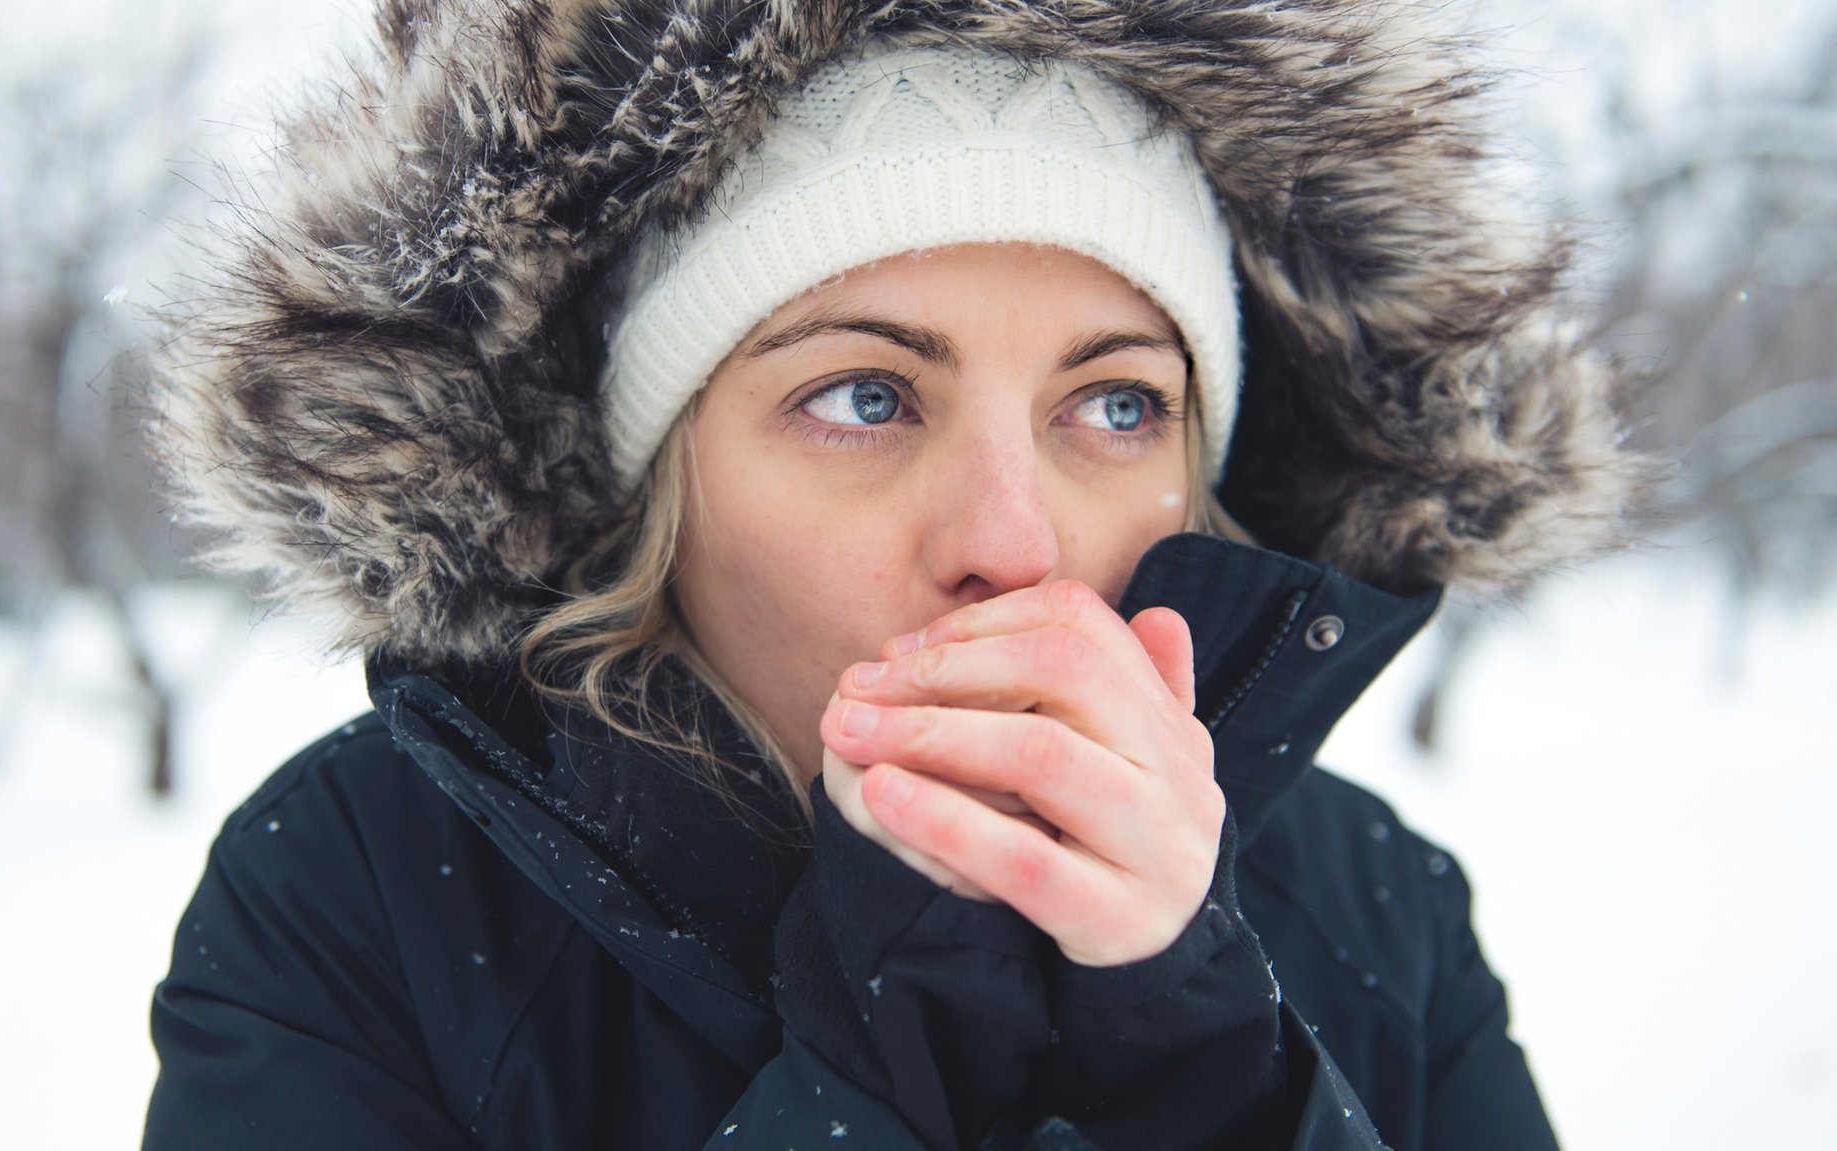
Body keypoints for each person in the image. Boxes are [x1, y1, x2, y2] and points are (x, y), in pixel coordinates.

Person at [139, 2, 1645, 1148]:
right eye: (867, 396)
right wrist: (891, 1048)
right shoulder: (360, 894)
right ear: (665, 481)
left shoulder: (1376, 906)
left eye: (1116, 406)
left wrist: (1203, 1063)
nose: (1017, 540)